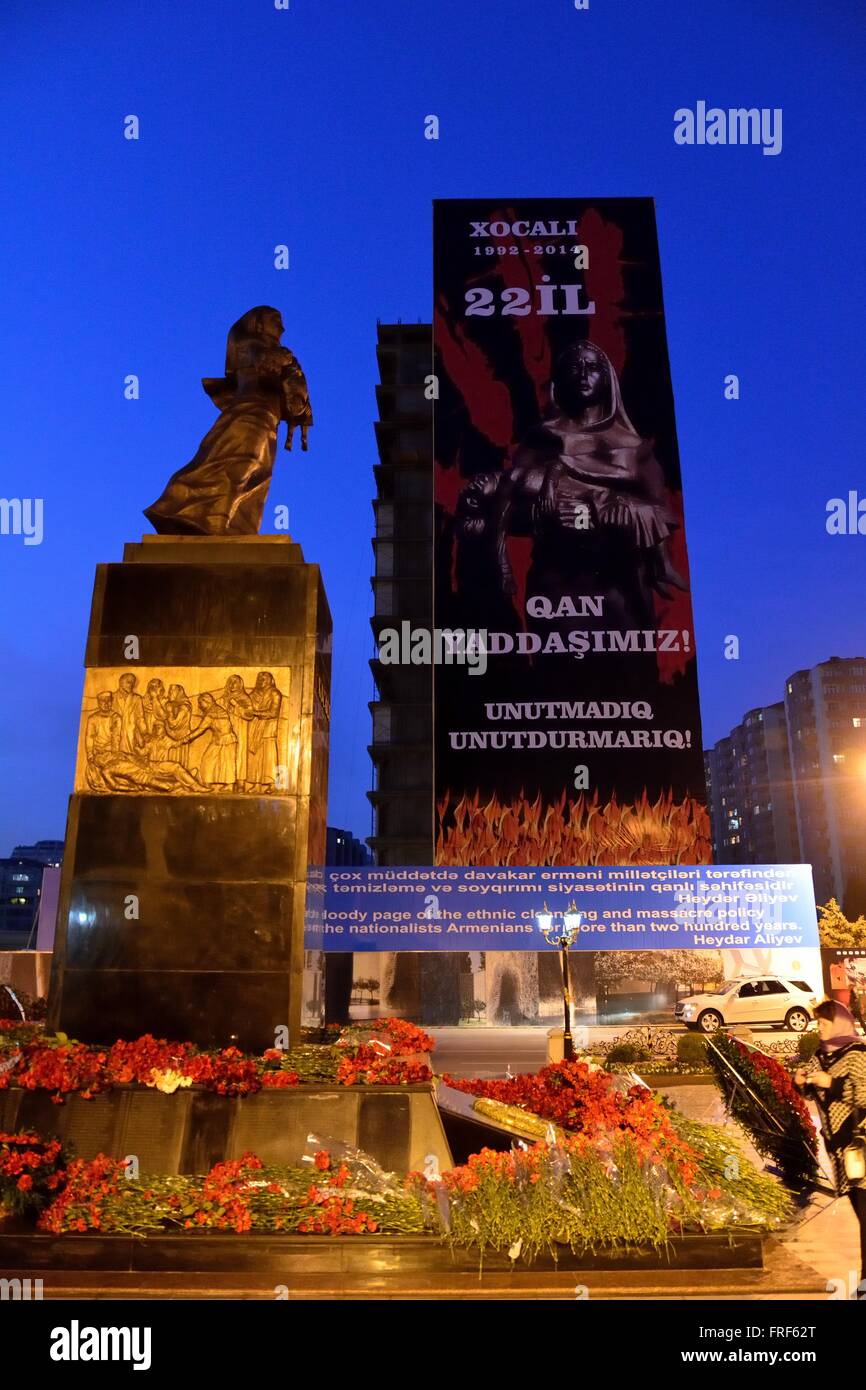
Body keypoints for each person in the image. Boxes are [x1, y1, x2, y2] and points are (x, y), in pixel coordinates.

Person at [143, 306, 312, 536]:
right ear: (259, 324)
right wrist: (285, 360)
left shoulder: (280, 354)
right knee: (242, 461)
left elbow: (295, 395)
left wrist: (295, 388)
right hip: (251, 413)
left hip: (269, 421)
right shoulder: (249, 345)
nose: (282, 327)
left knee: (258, 474)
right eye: (275, 319)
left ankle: (235, 528)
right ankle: (198, 513)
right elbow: (264, 361)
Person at [795, 1000, 866, 1293]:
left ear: (838, 1023)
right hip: (838, 1151)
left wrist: (832, 1083)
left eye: (824, 1024)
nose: (819, 1029)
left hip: (860, 1146)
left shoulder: (858, 1054)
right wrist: (802, 1082)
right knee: (860, 1213)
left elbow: (864, 1095)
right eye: (818, 1024)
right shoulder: (819, 1055)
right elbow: (812, 1090)